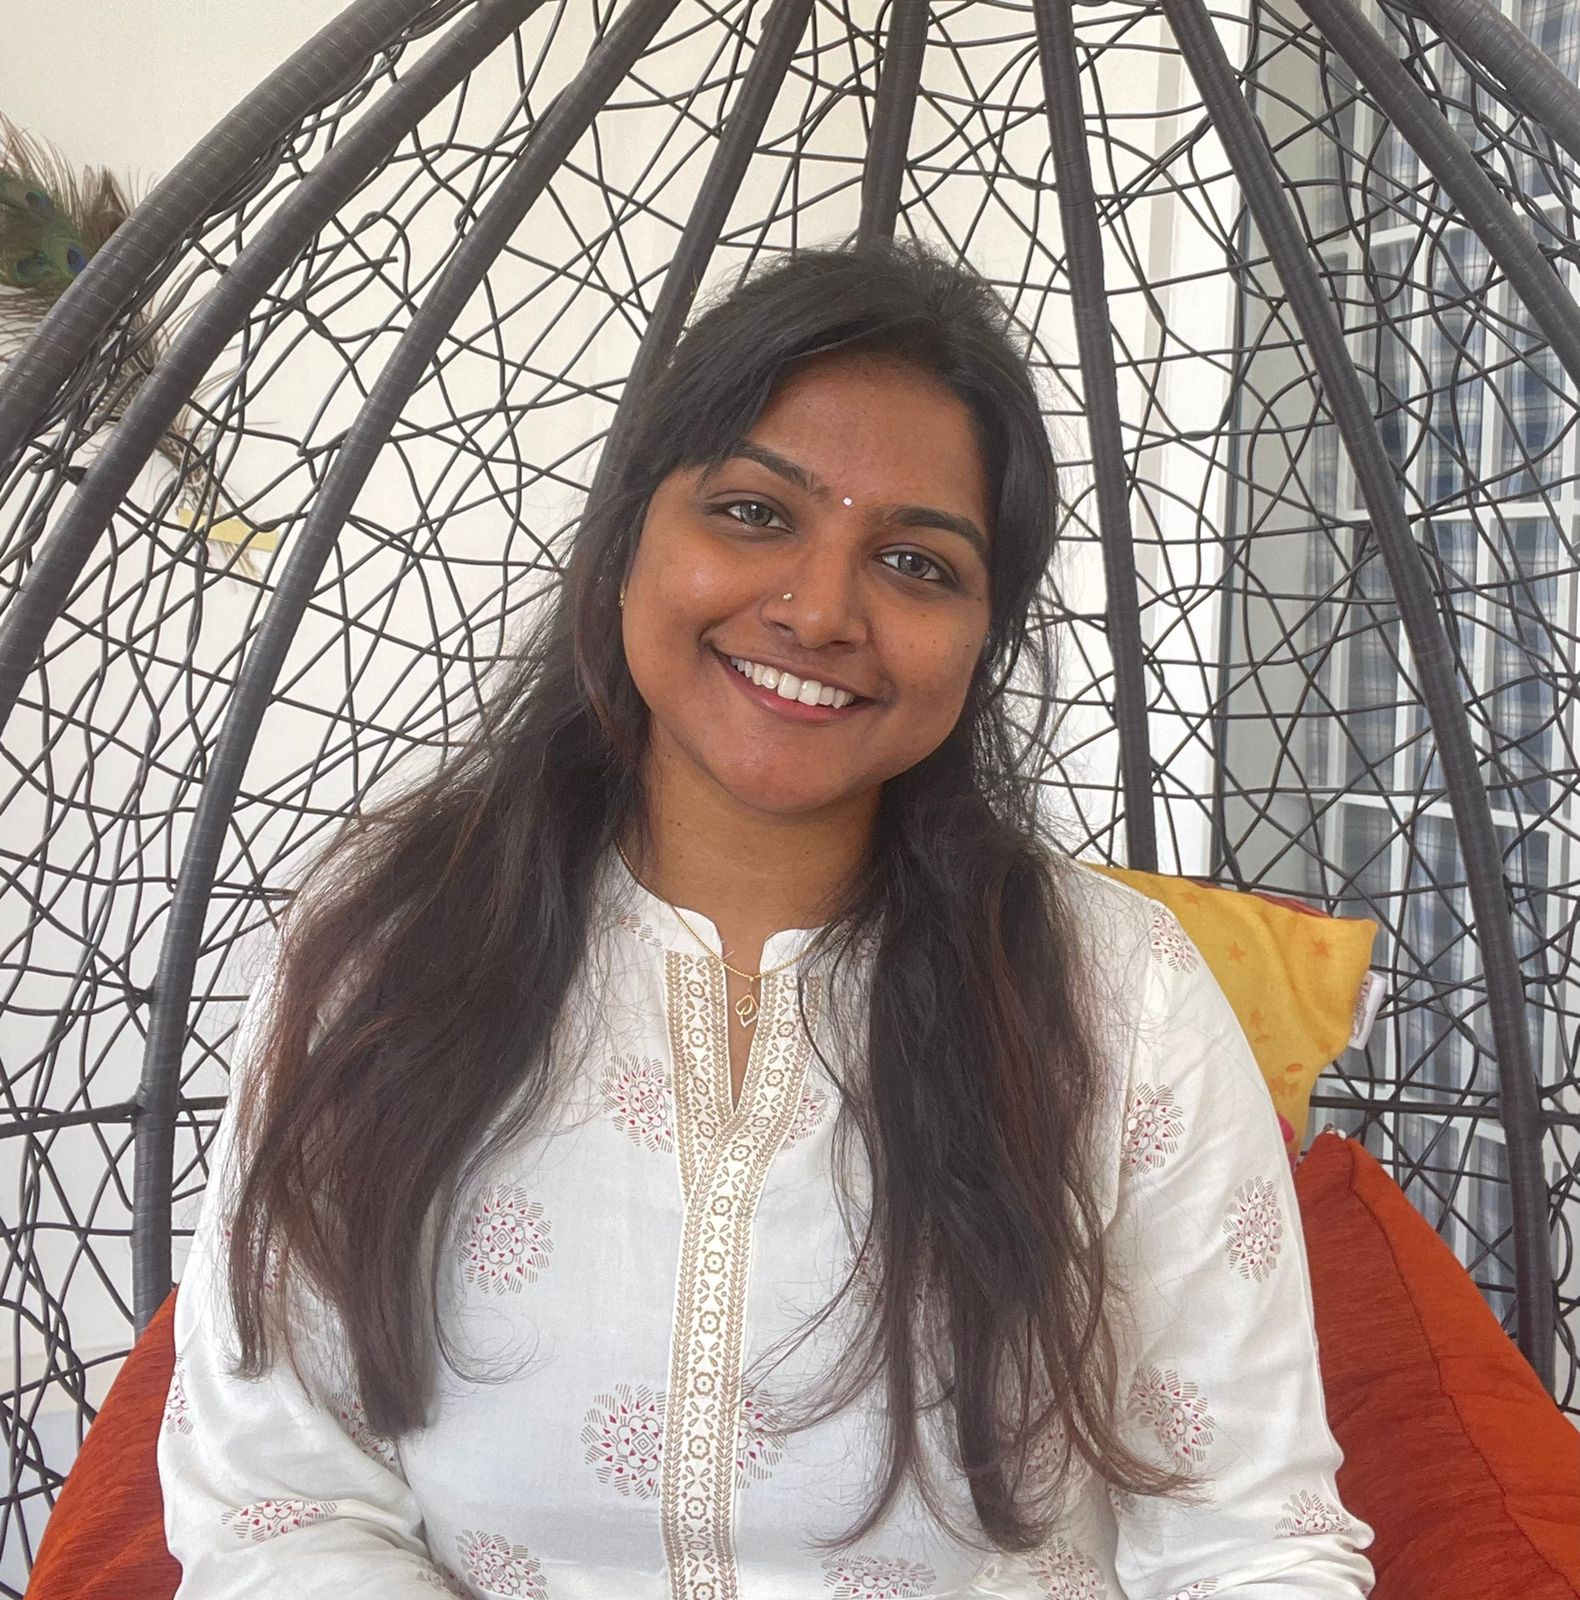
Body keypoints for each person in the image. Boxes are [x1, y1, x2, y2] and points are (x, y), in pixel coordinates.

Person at [157, 238, 1375, 1599]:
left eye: (916, 562)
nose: (819, 609)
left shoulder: (1120, 997)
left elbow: (1251, 1543)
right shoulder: (391, 945)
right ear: (627, 544)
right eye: (753, 512)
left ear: (984, 642)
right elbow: (280, 1505)